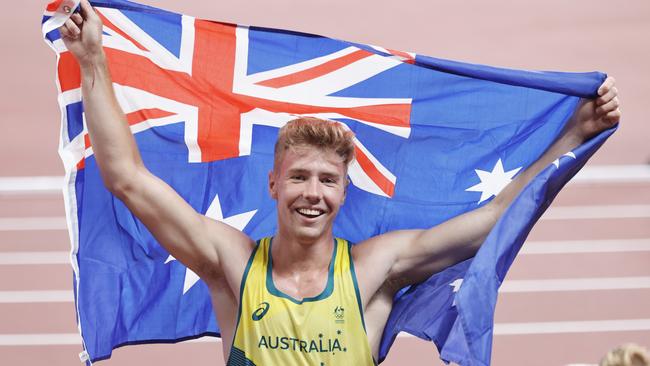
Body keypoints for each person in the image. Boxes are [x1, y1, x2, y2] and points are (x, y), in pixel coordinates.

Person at [58, 1, 621, 365]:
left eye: (328, 180)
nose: (313, 192)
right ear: (274, 183)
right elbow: (127, 178)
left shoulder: (375, 270)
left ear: (344, 192)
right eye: (299, 177)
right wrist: (93, 63)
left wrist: (571, 136)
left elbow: (494, 215)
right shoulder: (232, 264)